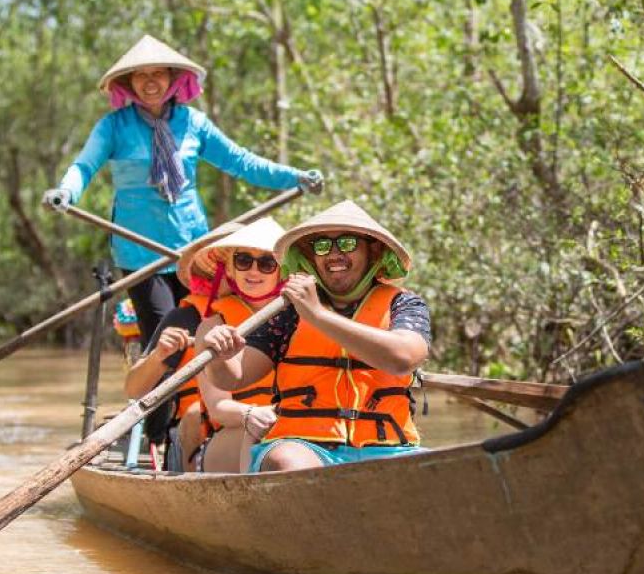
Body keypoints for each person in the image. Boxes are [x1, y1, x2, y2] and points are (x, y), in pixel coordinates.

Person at [43, 34, 322, 345]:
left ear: (173, 78)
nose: (150, 82)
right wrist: (66, 192)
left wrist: (296, 177)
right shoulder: (114, 126)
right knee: (166, 336)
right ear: (129, 82)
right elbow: (84, 166)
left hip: (192, 248)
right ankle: (162, 394)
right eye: (141, 75)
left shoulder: (194, 123)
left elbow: (242, 162)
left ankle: (201, 393)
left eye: (158, 73)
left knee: (201, 326)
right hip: (140, 251)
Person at [199, 200, 431, 472]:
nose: (334, 254)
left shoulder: (404, 305)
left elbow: (403, 358)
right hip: (304, 445)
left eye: (347, 243)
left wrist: (318, 316)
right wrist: (219, 356)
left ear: (374, 249)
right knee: (288, 462)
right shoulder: (288, 312)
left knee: (438, 470)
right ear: (311, 257)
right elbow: (233, 377)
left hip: (388, 447)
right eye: (322, 246)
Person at [123, 219, 285, 472]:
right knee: (192, 414)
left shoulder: (292, 315)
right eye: (243, 261)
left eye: (266, 263)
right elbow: (134, 390)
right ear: (227, 268)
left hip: (279, 422)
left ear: (279, 270)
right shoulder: (189, 319)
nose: (253, 271)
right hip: (207, 431)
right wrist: (157, 357)